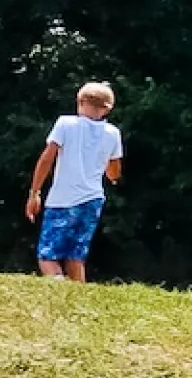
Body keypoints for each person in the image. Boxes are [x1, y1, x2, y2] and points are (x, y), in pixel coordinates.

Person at [25, 82, 125, 281]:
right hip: (92, 200)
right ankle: (77, 301)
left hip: (62, 199)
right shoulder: (113, 133)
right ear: (108, 108)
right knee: (76, 256)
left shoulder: (66, 124)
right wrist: (111, 175)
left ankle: (59, 288)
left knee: (47, 255)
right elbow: (114, 171)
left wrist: (34, 192)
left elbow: (47, 158)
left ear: (80, 102)